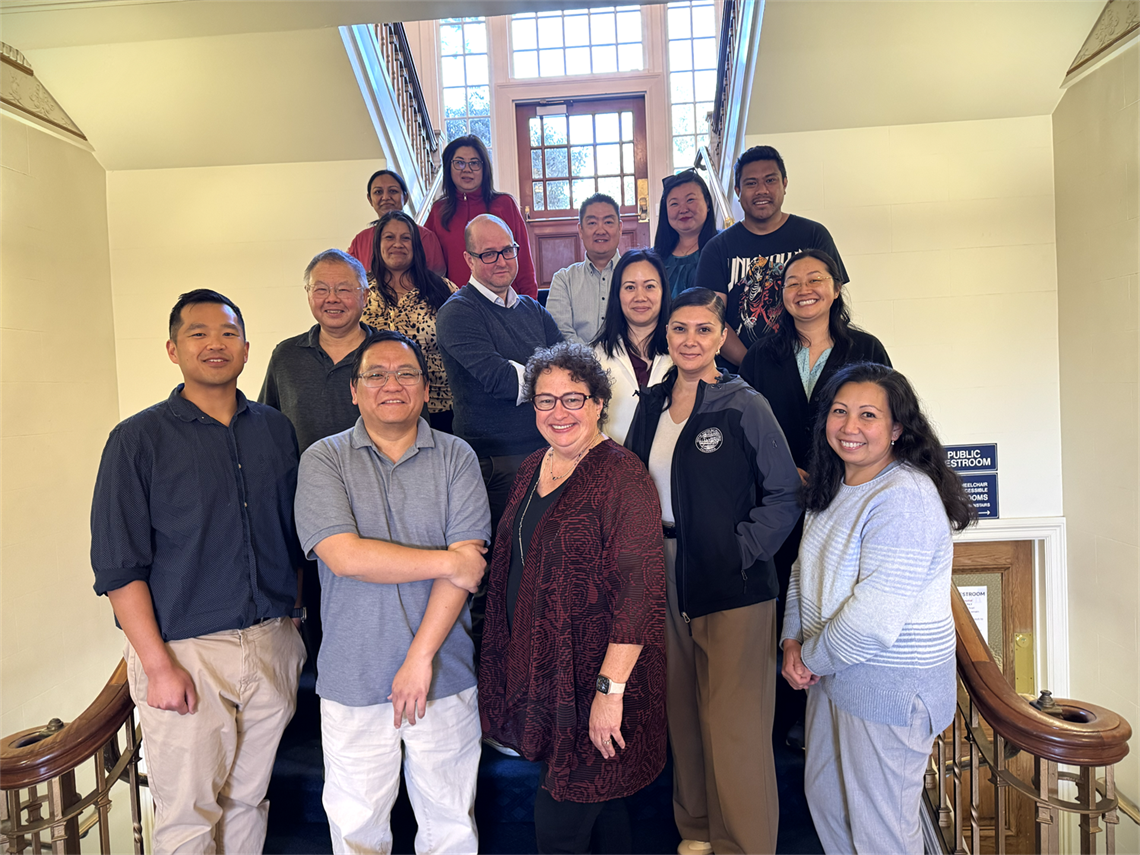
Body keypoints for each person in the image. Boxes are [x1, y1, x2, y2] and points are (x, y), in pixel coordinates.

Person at [91, 290, 306, 855]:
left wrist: (292, 623)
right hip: (186, 653)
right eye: (199, 333)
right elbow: (118, 567)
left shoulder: (275, 430)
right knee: (187, 817)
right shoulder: (136, 440)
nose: (216, 344)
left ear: (246, 348)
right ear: (173, 349)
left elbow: (291, 534)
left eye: (229, 333)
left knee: (248, 802)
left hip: (271, 643)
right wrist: (158, 666)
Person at [295, 330, 490, 855]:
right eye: (376, 375)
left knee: (451, 827)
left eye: (406, 374)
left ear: (426, 389)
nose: (392, 385)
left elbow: (467, 571)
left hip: (444, 673)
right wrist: (449, 560)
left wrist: (419, 660)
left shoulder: (457, 457)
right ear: (353, 390)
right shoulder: (323, 459)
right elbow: (345, 557)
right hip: (352, 676)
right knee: (357, 830)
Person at [625, 288, 801, 855]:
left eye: (704, 329)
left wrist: (739, 550)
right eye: (680, 329)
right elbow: (632, 484)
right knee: (683, 712)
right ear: (666, 336)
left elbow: (785, 493)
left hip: (734, 581)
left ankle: (744, 845)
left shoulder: (744, 404)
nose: (691, 340)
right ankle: (697, 829)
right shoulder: (651, 404)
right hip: (664, 569)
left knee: (734, 725)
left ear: (723, 338)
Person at [480, 342, 667, 855]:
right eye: (545, 400)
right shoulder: (532, 467)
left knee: (560, 822)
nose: (558, 412)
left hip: (596, 675)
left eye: (573, 399)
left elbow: (640, 592)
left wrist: (610, 691)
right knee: (604, 803)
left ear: (598, 403)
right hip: (550, 667)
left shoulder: (622, 475)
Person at [782, 362, 976, 855]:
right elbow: (804, 571)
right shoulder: (835, 485)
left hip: (889, 686)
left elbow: (872, 619)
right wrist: (791, 641)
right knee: (829, 804)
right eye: (840, 411)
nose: (850, 426)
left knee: (880, 832)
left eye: (868, 415)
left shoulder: (904, 496)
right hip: (834, 675)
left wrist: (809, 659)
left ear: (897, 429)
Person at [738, 249, 891, 744]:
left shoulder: (865, 348)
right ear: (781, 295)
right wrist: (786, 475)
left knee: (834, 595)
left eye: (816, 279)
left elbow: (883, 422)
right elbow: (746, 431)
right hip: (779, 501)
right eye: (793, 282)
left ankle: (828, 710)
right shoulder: (760, 356)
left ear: (836, 288)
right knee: (785, 596)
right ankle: (785, 714)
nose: (804, 289)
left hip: (846, 496)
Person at [259, 249, 378, 658]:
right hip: (307, 509)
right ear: (308, 294)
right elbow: (268, 428)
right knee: (317, 619)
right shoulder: (286, 356)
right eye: (321, 289)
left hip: (377, 504)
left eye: (344, 288)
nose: (332, 298)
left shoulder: (390, 351)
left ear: (364, 295)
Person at [435, 213, 563, 536]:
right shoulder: (458, 312)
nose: (502, 261)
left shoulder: (533, 309)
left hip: (550, 448)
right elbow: (504, 383)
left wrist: (532, 373)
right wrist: (550, 377)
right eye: (488, 254)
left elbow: (570, 368)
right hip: (498, 461)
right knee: (509, 559)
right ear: (469, 259)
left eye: (507, 250)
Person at [697, 145, 848, 365]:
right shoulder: (717, 248)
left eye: (770, 180)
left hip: (811, 368)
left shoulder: (813, 235)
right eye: (751, 183)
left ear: (784, 184)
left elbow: (831, 302)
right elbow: (712, 318)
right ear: (738, 191)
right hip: (740, 374)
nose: (762, 190)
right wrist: (754, 368)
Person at [362, 210, 458, 432]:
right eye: (389, 237)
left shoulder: (443, 289)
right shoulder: (362, 292)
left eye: (405, 238)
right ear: (378, 245)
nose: (398, 244)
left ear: (416, 245)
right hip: (381, 405)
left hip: (441, 406)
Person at [425, 135, 538, 299]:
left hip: (504, 303)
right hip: (456, 304)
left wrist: (530, 303)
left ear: (484, 168)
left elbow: (524, 263)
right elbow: (428, 269)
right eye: (459, 163)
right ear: (449, 167)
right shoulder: (438, 211)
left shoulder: (504, 205)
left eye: (474, 163)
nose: (467, 169)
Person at [591, 248, 673, 445]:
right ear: (617, 295)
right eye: (630, 287)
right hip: (613, 461)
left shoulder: (683, 352)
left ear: (663, 292)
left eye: (650, 286)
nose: (640, 297)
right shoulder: (595, 357)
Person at [546, 193, 623, 345]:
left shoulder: (636, 276)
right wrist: (591, 358)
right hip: (577, 360)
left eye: (608, 222)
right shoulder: (564, 280)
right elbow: (559, 331)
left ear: (620, 228)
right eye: (592, 223)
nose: (600, 230)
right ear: (580, 230)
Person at [348, 169, 446, 277]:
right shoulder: (361, 240)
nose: (386, 197)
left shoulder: (425, 236)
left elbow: (437, 277)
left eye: (393, 191)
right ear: (370, 199)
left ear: (405, 198)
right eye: (378, 192)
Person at [653, 170, 717, 298]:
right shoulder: (655, 258)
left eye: (690, 200)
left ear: (707, 203)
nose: (683, 210)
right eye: (674, 203)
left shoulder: (722, 249)